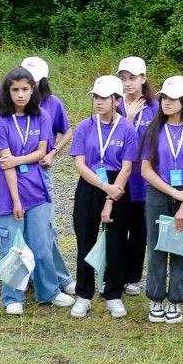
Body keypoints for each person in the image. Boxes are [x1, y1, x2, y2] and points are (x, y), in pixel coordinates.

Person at [0, 67, 75, 316]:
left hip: (35, 188)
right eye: (15, 90)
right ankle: (13, 296)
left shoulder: (42, 116)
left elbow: (41, 152)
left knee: (42, 242)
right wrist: (16, 200)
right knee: (12, 245)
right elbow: (5, 165)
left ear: (33, 89)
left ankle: (48, 291)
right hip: (8, 191)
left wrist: (17, 160)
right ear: (8, 92)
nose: (21, 95)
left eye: (25, 89)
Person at [140, 76, 183, 323]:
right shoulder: (154, 129)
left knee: (181, 247)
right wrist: (174, 193)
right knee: (157, 245)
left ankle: (175, 300)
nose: (166, 102)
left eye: (172, 98)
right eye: (163, 97)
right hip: (159, 192)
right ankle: (156, 298)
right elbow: (146, 170)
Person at [68, 75, 138, 318]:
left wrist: (110, 196)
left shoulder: (127, 128)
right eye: (95, 96)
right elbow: (80, 164)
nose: (98, 101)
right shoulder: (85, 126)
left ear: (117, 100)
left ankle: (113, 293)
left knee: (117, 242)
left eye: (103, 97)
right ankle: (84, 293)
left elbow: (127, 167)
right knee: (85, 239)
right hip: (90, 184)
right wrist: (102, 186)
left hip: (117, 186)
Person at [21, 56, 76, 299]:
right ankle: (27, 277)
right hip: (15, 171)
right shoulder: (13, 105)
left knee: (47, 227)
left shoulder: (52, 103)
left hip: (40, 170)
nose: (28, 87)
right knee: (19, 227)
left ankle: (60, 277)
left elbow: (67, 130)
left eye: (33, 81)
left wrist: (53, 152)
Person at [117, 56, 158, 296]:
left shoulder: (155, 107)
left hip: (144, 177)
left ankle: (133, 277)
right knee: (118, 227)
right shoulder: (116, 104)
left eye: (133, 78)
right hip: (121, 175)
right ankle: (114, 275)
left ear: (143, 78)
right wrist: (129, 118)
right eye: (123, 79)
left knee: (140, 230)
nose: (128, 83)